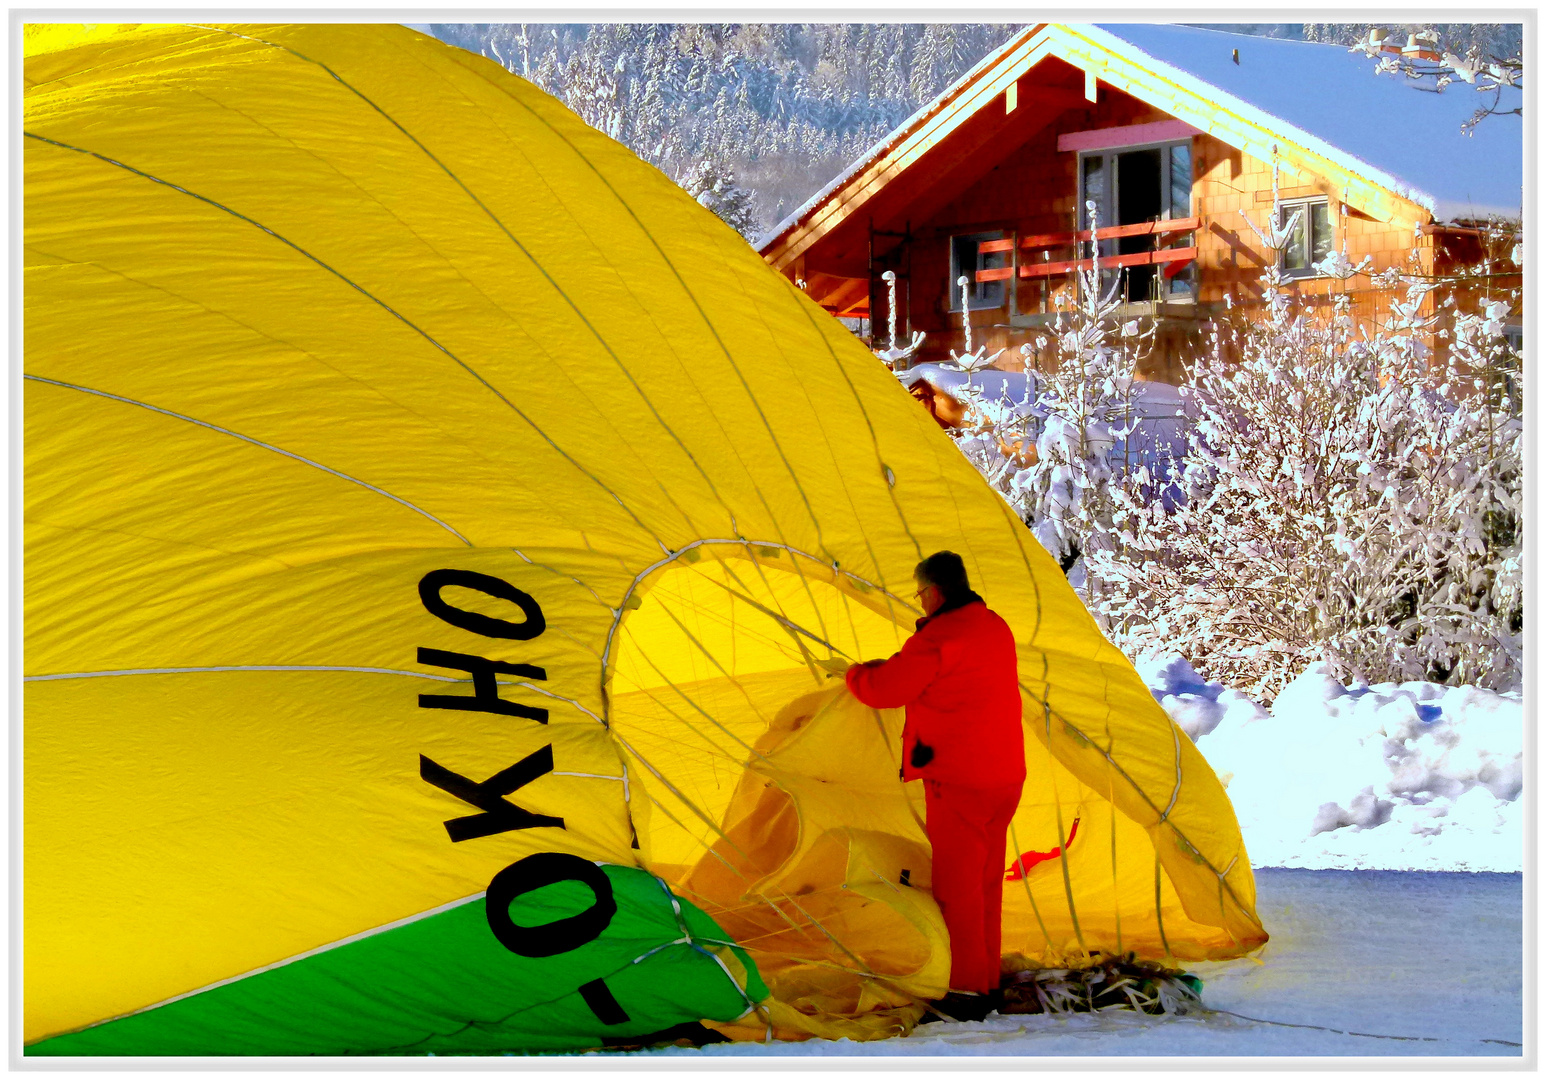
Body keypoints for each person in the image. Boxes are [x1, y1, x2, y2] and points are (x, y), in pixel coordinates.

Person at [840, 551, 1025, 1023]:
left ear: (935, 593)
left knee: (957, 888)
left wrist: (856, 674)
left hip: (960, 779)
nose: (920, 605)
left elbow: (884, 691)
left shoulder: (941, 636)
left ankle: (964, 993)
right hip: (1004, 777)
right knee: (985, 884)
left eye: (920, 595)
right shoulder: (993, 625)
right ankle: (985, 982)